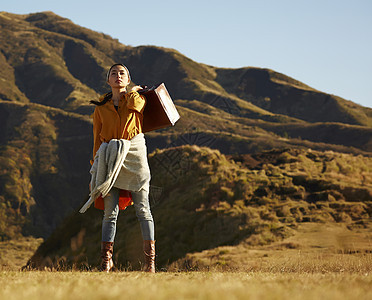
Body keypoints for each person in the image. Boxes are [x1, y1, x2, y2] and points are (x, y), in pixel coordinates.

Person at [89, 63, 155, 273]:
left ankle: (149, 263)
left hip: (135, 158)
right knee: (110, 213)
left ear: (128, 79)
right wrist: (96, 166)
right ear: (108, 80)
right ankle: (106, 261)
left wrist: (134, 91)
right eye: (114, 74)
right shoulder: (100, 107)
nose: (118, 76)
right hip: (110, 161)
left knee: (143, 210)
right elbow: (97, 139)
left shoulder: (137, 99)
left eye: (122, 73)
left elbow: (136, 107)